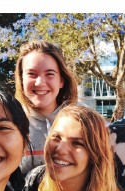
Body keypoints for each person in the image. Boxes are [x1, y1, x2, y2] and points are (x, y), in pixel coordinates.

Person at [23, 105, 125, 191]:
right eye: (57, 137)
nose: (60, 149)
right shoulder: (34, 182)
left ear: (95, 154)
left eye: (77, 143)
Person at [15, 40, 78, 175]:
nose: (40, 82)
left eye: (50, 74)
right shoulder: (10, 124)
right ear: (21, 79)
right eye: (32, 74)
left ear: (61, 81)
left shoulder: (82, 123)